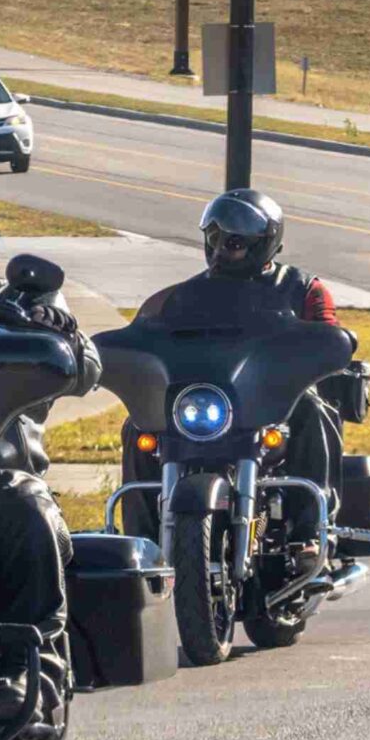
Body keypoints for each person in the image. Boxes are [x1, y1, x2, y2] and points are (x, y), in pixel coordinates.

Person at [121, 188, 344, 574]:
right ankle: (140, 541)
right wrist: (111, 354)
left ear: (264, 243)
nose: (222, 249)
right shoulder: (179, 298)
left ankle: (309, 531)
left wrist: (325, 347)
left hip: (272, 402)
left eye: (235, 242)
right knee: (137, 427)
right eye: (215, 238)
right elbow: (140, 334)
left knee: (311, 406)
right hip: (202, 406)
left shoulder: (302, 288)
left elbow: (329, 336)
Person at [0, 160, 102, 721]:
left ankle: (30, 662)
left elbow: (86, 365)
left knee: (26, 509)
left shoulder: (10, 299)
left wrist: (53, 327)